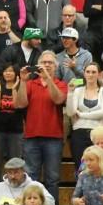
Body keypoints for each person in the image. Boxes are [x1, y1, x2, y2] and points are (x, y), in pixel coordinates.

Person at [16, 50, 66, 194]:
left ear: (55, 67)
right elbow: (20, 104)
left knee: (53, 178)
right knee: (31, 177)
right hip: (32, 136)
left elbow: (58, 99)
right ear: (38, 65)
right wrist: (23, 82)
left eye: (50, 63)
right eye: (44, 62)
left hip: (54, 137)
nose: (47, 65)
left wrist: (48, 80)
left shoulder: (61, 84)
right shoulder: (31, 84)